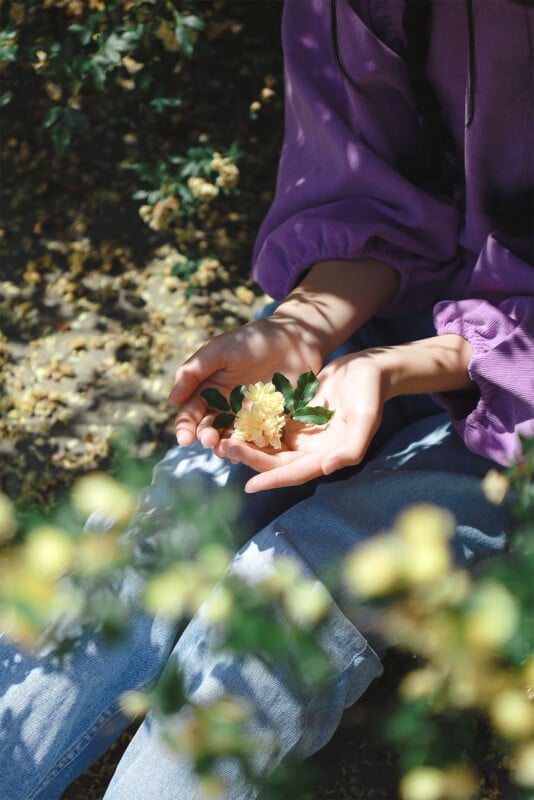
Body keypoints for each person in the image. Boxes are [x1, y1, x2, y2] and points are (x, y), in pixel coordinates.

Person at [1, 1, 532, 798]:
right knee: (170, 525)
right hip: (395, 321)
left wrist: (412, 366)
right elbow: (370, 194)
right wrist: (299, 328)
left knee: (284, 600)